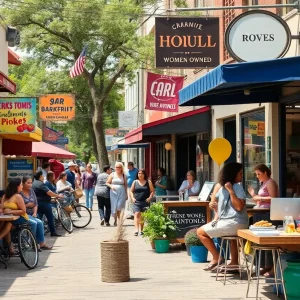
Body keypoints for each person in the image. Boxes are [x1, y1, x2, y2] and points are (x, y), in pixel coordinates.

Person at [197, 162, 248, 272]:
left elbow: (239, 207)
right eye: (240, 173)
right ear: (232, 174)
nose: (241, 175)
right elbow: (219, 206)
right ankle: (234, 262)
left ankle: (217, 257)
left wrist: (231, 191)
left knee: (200, 232)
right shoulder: (222, 188)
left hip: (234, 222)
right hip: (233, 222)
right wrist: (214, 206)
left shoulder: (236, 187)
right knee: (232, 239)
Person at [248, 163, 279, 277]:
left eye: (259, 174)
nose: (257, 176)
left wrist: (258, 197)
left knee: (267, 241)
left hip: (268, 214)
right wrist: (254, 196)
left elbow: (273, 198)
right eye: (256, 174)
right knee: (261, 241)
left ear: (265, 172)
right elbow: (261, 200)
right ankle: (265, 266)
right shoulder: (264, 183)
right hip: (261, 212)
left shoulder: (270, 182)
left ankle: (270, 267)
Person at [20, 177, 52, 250]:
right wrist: (27, 205)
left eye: (31, 183)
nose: (30, 185)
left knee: (40, 222)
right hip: (24, 214)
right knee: (34, 223)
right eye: (28, 183)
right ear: (23, 183)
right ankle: (33, 243)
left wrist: (34, 212)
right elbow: (18, 206)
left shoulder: (31, 191)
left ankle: (41, 243)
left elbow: (35, 204)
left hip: (32, 213)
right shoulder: (20, 193)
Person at [0, 178, 29, 254]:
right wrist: (2, 210)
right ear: (17, 186)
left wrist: (11, 211)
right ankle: (10, 248)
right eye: (21, 185)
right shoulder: (5, 196)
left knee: (8, 223)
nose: (22, 186)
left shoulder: (18, 196)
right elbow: (2, 208)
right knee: (2, 223)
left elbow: (23, 211)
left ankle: (1, 238)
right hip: (8, 217)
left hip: (21, 217)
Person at [32, 171, 63, 237]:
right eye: (42, 175)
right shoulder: (41, 184)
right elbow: (49, 192)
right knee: (50, 218)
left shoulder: (33, 183)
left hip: (36, 204)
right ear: (40, 176)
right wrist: (57, 196)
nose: (43, 177)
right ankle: (53, 232)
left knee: (39, 219)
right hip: (44, 204)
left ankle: (37, 234)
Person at [130, 169, 154, 236]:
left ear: (144, 174)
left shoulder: (148, 182)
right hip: (136, 201)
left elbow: (152, 191)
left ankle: (141, 230)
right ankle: (136, 230)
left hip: (145, 202)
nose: (140, 175)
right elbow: (131, 191)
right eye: (139, 173)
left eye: (142, 173)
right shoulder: (135, 182)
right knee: (137, 214)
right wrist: (132, 198)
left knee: (142, 216)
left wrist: (150, 198)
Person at [106, 162, 127, 226]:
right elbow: (107, 183)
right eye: (116, 167)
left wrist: (127, 194)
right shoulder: (112, 174)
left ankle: (119, 220)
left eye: (119, 167)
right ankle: (115, 220)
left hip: (122, 192)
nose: (117, 168)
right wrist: (111, 186)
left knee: (119, 207)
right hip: (113, 193)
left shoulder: (124, 175)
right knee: (114, 207)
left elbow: (125, 185)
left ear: (121, 168)